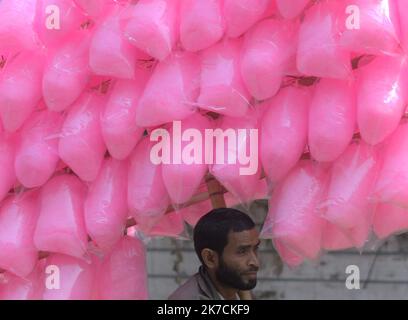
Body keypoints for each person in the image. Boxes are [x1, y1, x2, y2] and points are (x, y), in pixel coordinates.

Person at [168, 207, 260, 300]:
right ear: (210, 258)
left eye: (256, 248)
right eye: (242, 251)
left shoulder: (239, 288)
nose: (255, 262)